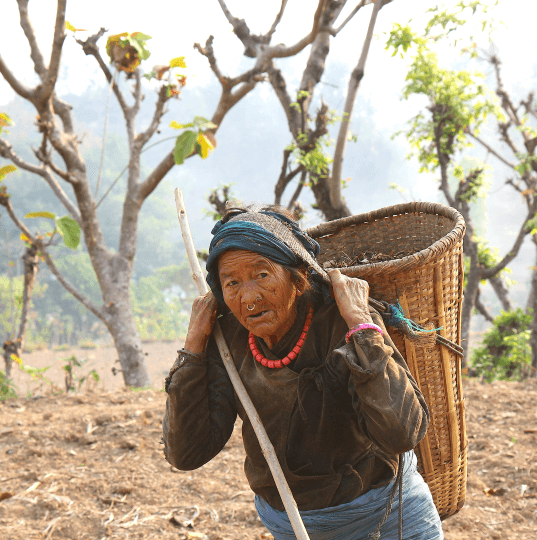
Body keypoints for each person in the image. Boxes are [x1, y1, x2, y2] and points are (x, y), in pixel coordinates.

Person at [162, 204, 443, 540]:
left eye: (262, 275)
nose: (248, 297)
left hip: (385, 516)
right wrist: (193, 348)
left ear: (298, 278)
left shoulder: (345, 320)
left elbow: (402, 434)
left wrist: (362, 327)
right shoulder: (227, 341)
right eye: (232, 282)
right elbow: (186, 453)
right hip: (294, 526)